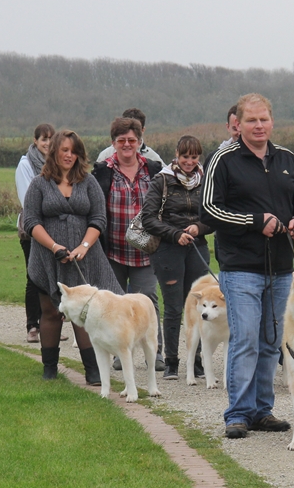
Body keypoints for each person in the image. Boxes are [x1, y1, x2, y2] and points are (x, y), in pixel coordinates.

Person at [201, 93, 294, 439]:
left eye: (264, 119)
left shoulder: (286, 158)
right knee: (246, 338)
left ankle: (262, 410)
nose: (259, 126)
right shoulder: (223, 160)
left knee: (271, 340)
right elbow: (209, 209)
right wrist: (255, 221)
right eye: (251, 120)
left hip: (281, 266)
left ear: (272, 120)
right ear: (238, 123)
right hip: (240, 266)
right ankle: (237, 413)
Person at [23, 130, 123, 383]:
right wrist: (54, 246)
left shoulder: (88, 182)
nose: (69, 155)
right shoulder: (38, 184)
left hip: (84, 256)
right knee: (51, 312)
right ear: (54, 152)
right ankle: (49, 369)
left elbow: (99, 218)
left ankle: (92, 371)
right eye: (64, 150)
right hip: (47, 256)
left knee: (85, 313)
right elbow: (31, 221)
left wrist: (84, 246)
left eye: (73, 150)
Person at [92, 117, 165, 371]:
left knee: (149, 300)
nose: (126, 144)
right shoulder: (102, 171)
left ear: (139, 142)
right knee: (114, 303)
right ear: (113, 143)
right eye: (121, 140)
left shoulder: (154, 169)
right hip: (112, 251)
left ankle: (154, 352)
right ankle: (117, 352)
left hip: (146, 251)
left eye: (131, 140)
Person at [142, 135, 214, 380]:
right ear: (177, 155)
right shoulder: (161, 180)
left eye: (194, 157)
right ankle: (172, 361)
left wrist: (199, 228)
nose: (189, 162)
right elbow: (148, 218)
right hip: (168, 249)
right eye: (185, 157)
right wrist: (175, 234)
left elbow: (215, 216)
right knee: (173, 307)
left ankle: (197, 360)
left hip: (198, 247)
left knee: (198, 307)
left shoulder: (206, 181)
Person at [15, 123, 68, 344]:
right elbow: (27, 198)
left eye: (50, 139)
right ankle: (33, 325)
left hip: (57, 229)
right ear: (35, 141)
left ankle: (53, 321)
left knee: (56, 278)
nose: (47, 143)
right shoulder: (26, 164)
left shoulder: (59, 164)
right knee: (34, 276)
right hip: (33, 230)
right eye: (43, 139)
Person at [95, 108, 163, 164]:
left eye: (131, 140)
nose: (127, 144)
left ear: (143, 130)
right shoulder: (105, 156)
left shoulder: (153, 159)